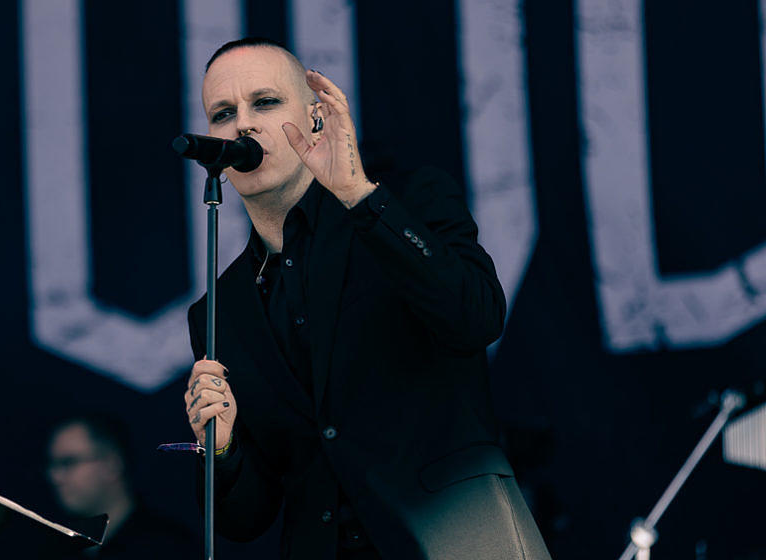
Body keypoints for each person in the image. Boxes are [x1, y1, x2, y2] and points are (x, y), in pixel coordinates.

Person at [182, 37, 552, 559]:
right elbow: (246, 519)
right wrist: (221, 448)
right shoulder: (220, 311)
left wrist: (358, 195)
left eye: (264, 102)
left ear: (315, 119)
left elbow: (477, 317)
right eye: (223, 113)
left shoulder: (408, 202)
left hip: (457, 537)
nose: (243, 124)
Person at [46, 414, 197, 558]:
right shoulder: (59, 549)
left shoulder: (167, 547)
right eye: (52, 465)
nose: (55, 476)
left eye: (68, 462)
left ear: (112, 464)